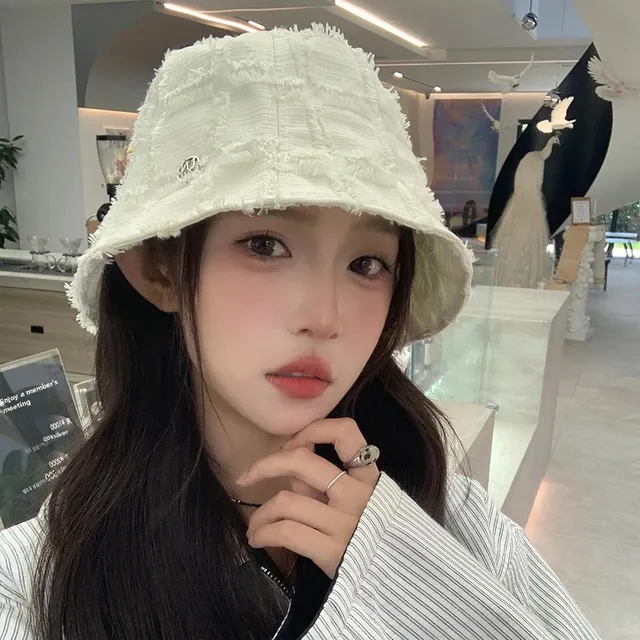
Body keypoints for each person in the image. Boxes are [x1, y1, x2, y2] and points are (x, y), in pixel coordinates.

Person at [0, 25, 600, 640]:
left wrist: (413, 581)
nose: (325, 317)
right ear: (161, 269)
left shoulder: (453, 514)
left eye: (367, 263)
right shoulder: (40, 578)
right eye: (265, 244)